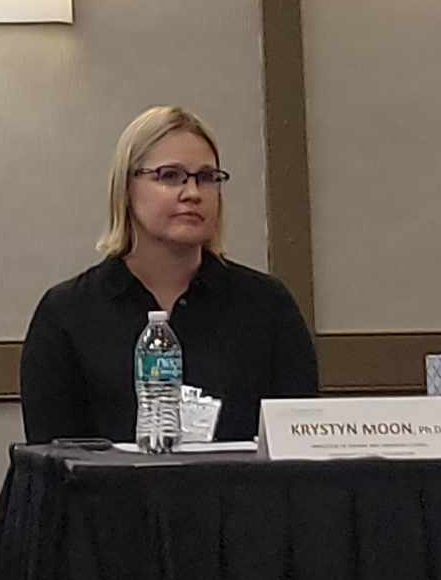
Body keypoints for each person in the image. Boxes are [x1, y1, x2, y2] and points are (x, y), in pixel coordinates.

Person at [18, 106, 317, 444]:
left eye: (206, 177)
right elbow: (52, 464)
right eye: (170, 176)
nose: (192, 193)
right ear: (126, 189)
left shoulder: (267, 306)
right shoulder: (68, 313)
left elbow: (298, 450)